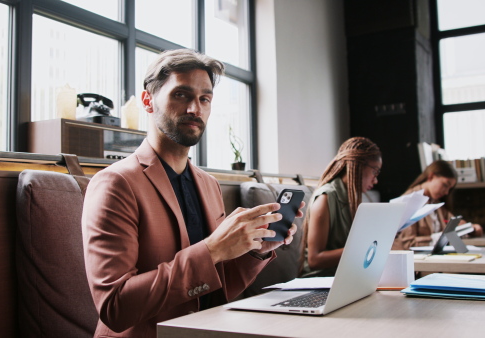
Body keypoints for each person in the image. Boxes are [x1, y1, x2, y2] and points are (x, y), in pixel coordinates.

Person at [82, 49, 303, 338]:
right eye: (181, 95)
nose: (194, 109)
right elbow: (115, 307)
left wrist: (254, 252)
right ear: (148, 101)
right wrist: (212, 249)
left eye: (204, 99)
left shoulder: (208, 185)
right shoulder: (115, 183)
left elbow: (216, 288)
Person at [301, 137, 382, 277]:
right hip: (320, 282)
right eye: (375, 171)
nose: (376, 180)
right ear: (358, 165)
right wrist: (360, 249)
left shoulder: (353, 198)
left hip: (345, 277)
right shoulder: (325, 198)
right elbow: (314, 260)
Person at [392, 160, 483, 250]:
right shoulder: (409, 201)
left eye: (449, 188)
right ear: (431, 176)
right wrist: (438, 238)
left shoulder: (436, 203)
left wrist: (470, 228)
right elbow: (407, 243)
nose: (447, 192)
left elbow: (455, 225)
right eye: (445, 185)